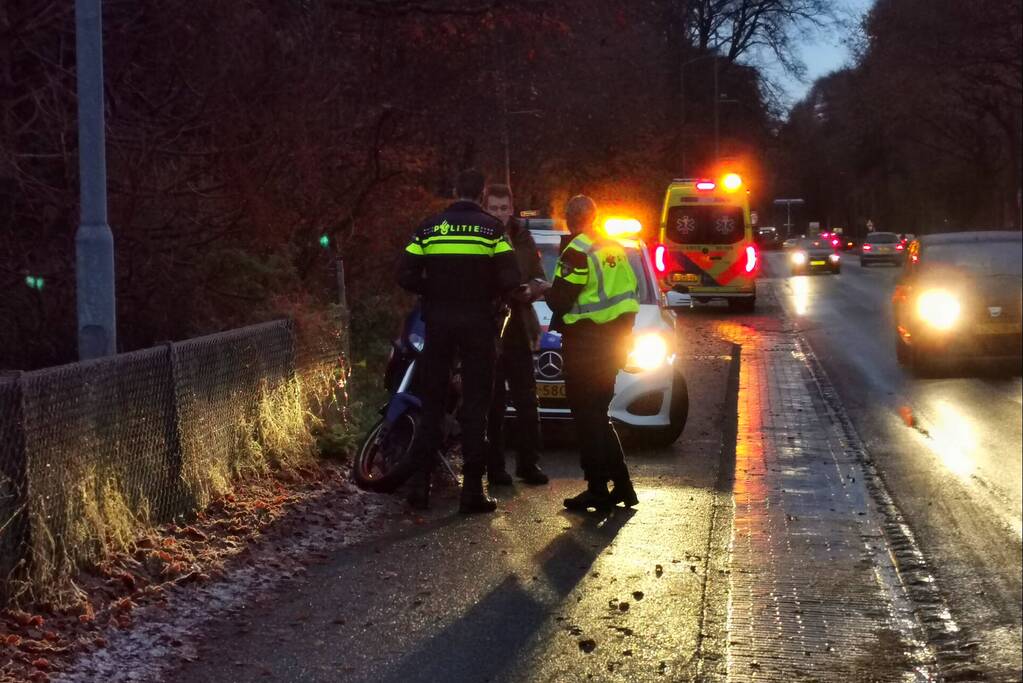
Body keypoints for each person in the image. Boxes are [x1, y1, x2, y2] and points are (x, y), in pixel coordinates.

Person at [397, 169, 521, 513]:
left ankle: (419, 488)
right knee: (475, 408)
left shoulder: (429, 228)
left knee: (432, 404)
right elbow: (512, 277)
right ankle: (472, 493)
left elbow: (404, 273)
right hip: (478, 326)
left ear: (453, 190)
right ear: (481, 194)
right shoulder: (493, 230)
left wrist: (434, 290)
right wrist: (486, 291)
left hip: (437, 325)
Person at [546, 195, 640, 511]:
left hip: (585, 346)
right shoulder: (614, 248)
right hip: (613, 345)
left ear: (569, 220)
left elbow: (559, 301)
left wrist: (543, 288)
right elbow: (629, 300)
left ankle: (598, 489)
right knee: (599, 416)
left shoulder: (576, 252)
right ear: (595, 217)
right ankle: (623, 487)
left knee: (588, 420)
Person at [482, 184, 550, 487]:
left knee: (526, 400)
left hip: (520, 324)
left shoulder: (524, 238)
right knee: (493, 403)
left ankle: (528, 464)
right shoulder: (480, 237)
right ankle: (495, 468)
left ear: (512, 208)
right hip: (490, 327)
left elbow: (540, 277)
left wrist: (530, 290)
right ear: (486, 208)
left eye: (503, 208)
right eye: (493, 208)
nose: (499, 213)